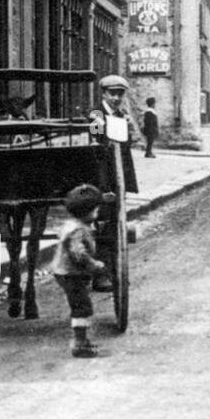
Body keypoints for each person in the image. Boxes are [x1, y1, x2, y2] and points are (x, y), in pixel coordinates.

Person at [89, 75, 138, 293]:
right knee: (103, 224)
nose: (116, 98)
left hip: (118, 177)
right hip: (101, 179)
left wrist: (128, 129)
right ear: (104, 94)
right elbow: (96, 142)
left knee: (115, 224)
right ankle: (100, 276)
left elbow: (129, 145)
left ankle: (112, 270)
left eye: (120, 94)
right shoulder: (96, 114)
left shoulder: (122, 115)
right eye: (112, 94)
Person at [51, 183, 108, 358]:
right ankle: (79, 343)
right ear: (89, 212)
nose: (97, 213)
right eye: (96, 210)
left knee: (81, 305)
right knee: (82, 307)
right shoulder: (78, 230)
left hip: (65, 272)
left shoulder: (73, 224)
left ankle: (82, 340)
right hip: (70, 273)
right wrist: (93, 264)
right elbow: (78, 253)